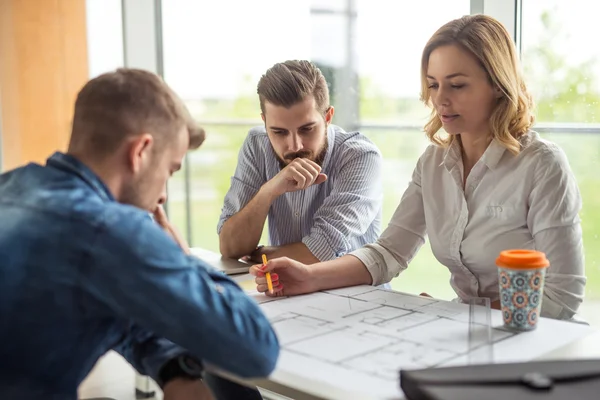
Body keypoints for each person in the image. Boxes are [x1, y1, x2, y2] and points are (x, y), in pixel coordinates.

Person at [250, 14, 586, 321]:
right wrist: (309, 277)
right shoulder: (434, 163)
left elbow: (561, 295)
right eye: (433, 83)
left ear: (497, 85)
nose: (440, 99)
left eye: (457, 85)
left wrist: (459, 315)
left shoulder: (542, 165)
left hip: (532, 341)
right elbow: (389, 253)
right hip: (466, 332)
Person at [0, 68, 279, 399]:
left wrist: (174, 368)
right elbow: (257, 350)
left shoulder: (11, 187)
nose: (163, 195)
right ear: (140, 152)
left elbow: (102, 303)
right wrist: (186, 262)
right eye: (169, 170)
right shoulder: (109, 228)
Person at [218, 60, 383, 265]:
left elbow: (322, 250)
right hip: (286, 291)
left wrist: (258, 257)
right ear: (265, 122)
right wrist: (268, 191)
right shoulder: (257, 144)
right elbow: (230, 248)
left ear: (328, 117)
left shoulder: (360, 156)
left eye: (307, 129)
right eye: (279, 132)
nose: (295, 146)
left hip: (355, 294)